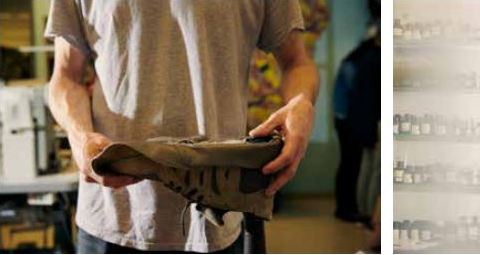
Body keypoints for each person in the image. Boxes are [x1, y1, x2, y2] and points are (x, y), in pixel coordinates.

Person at [45, 0, 318, 253]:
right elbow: (65, 76)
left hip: (218, 216)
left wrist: (301, 102)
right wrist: (80, 137)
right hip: (112, 216)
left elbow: (297, 63)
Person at [332, 0, 380, 222]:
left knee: (352, 164)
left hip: (345, 117)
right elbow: (364, 99)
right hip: (350, 119)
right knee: (355, 164)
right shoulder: (367, 60)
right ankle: (353, 210)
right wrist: (368, 131)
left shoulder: (356, 57)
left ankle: (351, 208)